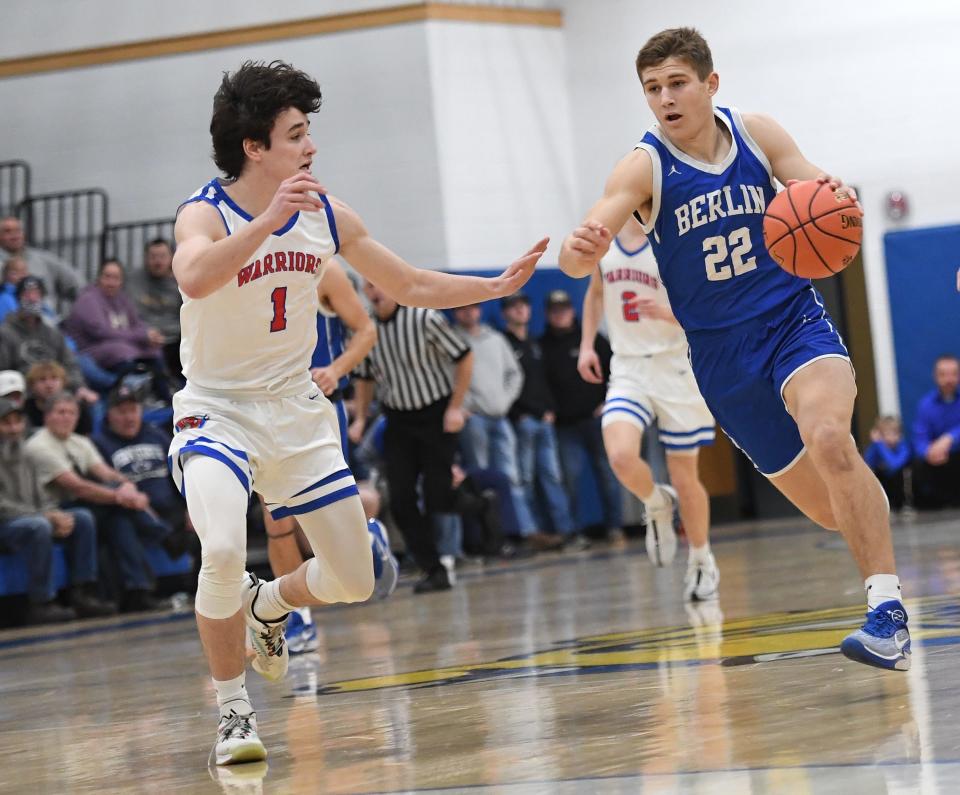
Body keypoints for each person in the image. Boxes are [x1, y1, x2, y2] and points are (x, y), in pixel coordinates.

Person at [168, 60, 547, 765]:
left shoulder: (327, 214)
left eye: (308, 132)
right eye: (295, 134)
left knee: (356, 579)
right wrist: (269, 221)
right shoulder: (204, 211)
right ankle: (234, 714)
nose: (310, 147)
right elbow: (193, 274)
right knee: (220, 549)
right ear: (254, 146)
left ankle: (271, 602)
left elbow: (405, 281)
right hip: (217, 410)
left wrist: (493, 284)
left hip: (298, 414)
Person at [558, 27, 908, 671]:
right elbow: (587, 244)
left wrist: (841, 197)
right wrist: (576, 254)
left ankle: (886, 612)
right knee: (834, 513)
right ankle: (870, 511)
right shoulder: (642, 166)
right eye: (652, 88)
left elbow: (817, 188)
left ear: (709, 84)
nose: (665, 98)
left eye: (677, 83)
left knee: (831, 438)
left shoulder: (757, 133)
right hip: (722, 359)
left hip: (792, 321)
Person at [578, 215, 718, 599]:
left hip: (675, 366)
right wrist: (588, 344)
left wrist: (666, 312)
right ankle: (656, 502)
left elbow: (705, 309)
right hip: (628, 365)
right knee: (621, 456)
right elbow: (594, 293)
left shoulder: (672, 240)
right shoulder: (604, 242)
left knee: (685, 475)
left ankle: (702, 559)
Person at [259, 258, 383, 655]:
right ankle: (297, 620)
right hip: (266, 412)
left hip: (318, 410)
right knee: (277, 524)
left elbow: (366, 330)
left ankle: (364, 537)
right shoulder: (248, 272)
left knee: (318, 523)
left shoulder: (322, 269)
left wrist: (336, 368)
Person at [351, 280, 474, 594]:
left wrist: (456, 407)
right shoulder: (366, 328)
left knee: (437, 494)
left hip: (435, 414)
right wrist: (362, 418)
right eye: (368, 287)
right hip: (398, 420)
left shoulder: (424, 318)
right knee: (402, 499)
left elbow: (464, 356)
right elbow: (364, 378)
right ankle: (433, 568)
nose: (374, 291)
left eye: (379, 284)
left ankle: (474, 502)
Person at [25, 391, 171, 612]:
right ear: (47, 416)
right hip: (51, 509)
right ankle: (158, 536)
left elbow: (106, 473)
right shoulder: (39, 445)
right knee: (105, 512)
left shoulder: (79, 441)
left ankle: (136, 591)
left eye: (71, 413)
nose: (66, 418)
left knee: (119, 520)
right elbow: (78, 487)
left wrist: (127, 487)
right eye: (60, 412)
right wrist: (122, 497)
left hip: (86, 506)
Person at [453, 303, 561, 553]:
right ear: (456, 313)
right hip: (473, 418)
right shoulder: (452, 339)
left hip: (500, 416)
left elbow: (515, 374)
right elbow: (445, 375)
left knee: (511, 477)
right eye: (462, 309)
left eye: (473, 308)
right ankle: (487, 539)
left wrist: (504, 401)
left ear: (480, 311)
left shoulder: (496, 338)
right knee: (479, 478)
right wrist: (461, 405)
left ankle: (520, 533)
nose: (468, 313)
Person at [0, 397, 115, 623]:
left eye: (17, 422)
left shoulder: (27, 454)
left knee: (81, 518)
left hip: (29, 519)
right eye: (6, 423)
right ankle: (41, 603)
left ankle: (83, 593)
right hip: (6, 524)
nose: (13, 429)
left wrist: (54, 513)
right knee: (39, 526)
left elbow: (41, 497)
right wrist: (44, 515)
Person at [540, 289, 624, 539]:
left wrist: (608, 401)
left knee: (609, 474)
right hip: (565, 425)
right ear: (548, 315)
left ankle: (615, 527)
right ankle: (574, 532)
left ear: (572, 311)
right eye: (555, 311)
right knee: (569, 478)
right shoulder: (541, 346)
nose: (560, 315)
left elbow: (618, 370)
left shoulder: (593, 340)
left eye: (564, 309)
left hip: (597, 419)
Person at [500, 292, 582, 548]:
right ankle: (531, 533)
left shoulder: (535, 344)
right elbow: (506, 384)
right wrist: (518, 413)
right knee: (523, 479)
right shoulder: (504, 344)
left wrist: (550, 410)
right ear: (505, 313)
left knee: (552, 477)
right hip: (523, 420)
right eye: (513, 308)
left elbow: (544, 383)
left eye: (523, 306)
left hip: (545, 420)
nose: (520, 311)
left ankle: (566, 531)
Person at [63, 260, 171, 402]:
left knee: (153, 349)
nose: (111, 282)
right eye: (107, 277)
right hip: (92, 350)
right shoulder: (88, 300)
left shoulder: (122, 298)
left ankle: (164, 396)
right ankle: (125, 396)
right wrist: (141, 336)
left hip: (122, 344)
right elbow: (102, 332)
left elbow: (136, 323)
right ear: (99, 278)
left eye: (116, 278)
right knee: (121, 350)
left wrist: (149, 334)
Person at [0, 276, 100, 409]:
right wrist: (30, 385)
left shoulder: (53, 332)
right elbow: (3, 372)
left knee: (90, 403)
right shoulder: (5, 333)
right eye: (27, 294)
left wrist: (78, 387)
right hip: (22, 394)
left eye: (36, 294)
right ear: (18, 298)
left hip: (57, 391)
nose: (32, 298)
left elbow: (70, 364)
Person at [126, 239, 183, 380]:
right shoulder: (132, 280)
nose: (158, 261)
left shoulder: (182, 280)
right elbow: (126, 311)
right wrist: (143, 332)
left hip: (175, 340)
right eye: (153, 257)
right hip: (141, 338)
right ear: (146, 258)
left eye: (162, 256)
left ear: (171, 257)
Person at [0, 216, 82, 312]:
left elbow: (76, 283)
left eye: (18, 230)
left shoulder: (43, 259)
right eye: (7, 231)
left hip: (46, 321)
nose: (15, 235)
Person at [912, 354, 960, 510]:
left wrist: (948, 439)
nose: (949, 379)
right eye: (943, 374)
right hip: (937, 462)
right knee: (918, 463)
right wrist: (928, 452)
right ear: (936, 376)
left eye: (953, 374)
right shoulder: (925, 404)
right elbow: (919, 438)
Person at [864, 416, 911, 512]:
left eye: (894, 433)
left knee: (898, 474)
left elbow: (894, 465)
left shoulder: (903, 447)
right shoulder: (876, 447)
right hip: (882, 484)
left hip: (897, 484)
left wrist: (880, 445)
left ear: (900, 435)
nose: (890, 437)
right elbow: (868, 463)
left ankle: (901, 505)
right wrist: (876, 444)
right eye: (886, 434)